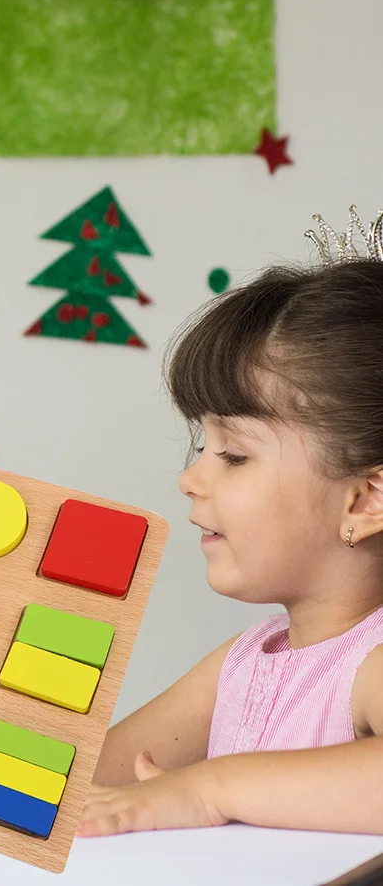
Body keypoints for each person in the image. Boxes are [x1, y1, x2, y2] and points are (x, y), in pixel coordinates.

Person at [78, 243, 383, 836]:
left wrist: (208, 789)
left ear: (366, 499)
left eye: (234, 455)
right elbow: (82, 784)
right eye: (202, 448)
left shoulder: (371, 662)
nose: (190, 480)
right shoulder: (244, 663)